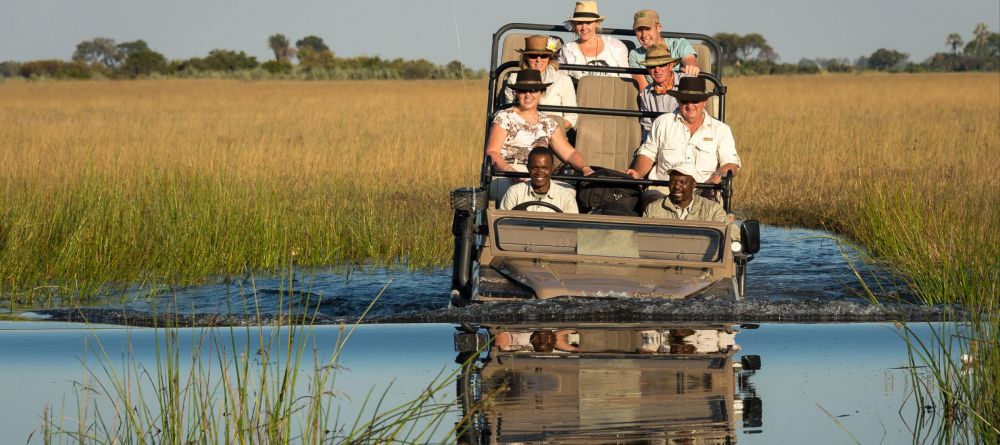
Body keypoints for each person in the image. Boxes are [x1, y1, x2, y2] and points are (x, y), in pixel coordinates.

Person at [485, 69, 594, 203]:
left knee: (568, 193)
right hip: (507, 172)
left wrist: (585, 168)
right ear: (516, 93)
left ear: (541, 93)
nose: (528, 95)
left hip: (540, 172)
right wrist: (511, 171)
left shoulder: (548, 122)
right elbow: (492, 152)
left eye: (533, 90)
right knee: (521, 193)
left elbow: (569, 153)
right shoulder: (504, 117)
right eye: (523, 91)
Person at [626, 77, 740, 187]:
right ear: (678, 100)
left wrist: (714, 179)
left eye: (695, 100)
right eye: (685, 100)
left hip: (703, 191)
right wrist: (638, 173)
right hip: (664, 190)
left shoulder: (721, 130)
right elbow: (648, 154)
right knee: (652, 205)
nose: (690, 105)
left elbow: (731, 164)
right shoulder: (662, 122)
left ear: (705, 101)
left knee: (711, 207)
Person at [504, 35, 578, 131]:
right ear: (526, 57)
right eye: (533, 56)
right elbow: (509, 111)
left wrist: (551, 130)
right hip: (521, 130)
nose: (538, 59)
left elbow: (571, 116)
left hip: (554, 132)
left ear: (550, 57)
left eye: (543, 55)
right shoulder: (514, 78)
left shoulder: (563, 79)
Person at [628, 9, 700, 90]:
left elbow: (691, 63)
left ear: (659, 28)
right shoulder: (634, 55)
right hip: (655, 98)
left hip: (682, 96)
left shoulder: (680, 44)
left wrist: (691, 68)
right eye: (639, 30)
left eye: (648, 29)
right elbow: (644, 91)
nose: (644, 35)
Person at [558, 1, 629, 79]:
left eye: (588, 22)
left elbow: (626, 80)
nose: (583, 28)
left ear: (597, 23)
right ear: (574, 25)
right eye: (579, 23)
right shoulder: (567, 50)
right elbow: (562, 82)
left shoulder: (615, 46)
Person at [501, 146, 579, 213]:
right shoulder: (514, 193)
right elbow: (502, 226)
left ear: (552, 169)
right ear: (528, 168)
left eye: (545, 168)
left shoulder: (566, 197)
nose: (539, 172)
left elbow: (572, 228)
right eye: (535, 168)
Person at [642, 164, 727, 222]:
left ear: (693, 185)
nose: (676, 186)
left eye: (682, 182)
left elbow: (731, 234)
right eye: (672, 182)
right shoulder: (653, 209)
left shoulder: (713, 209)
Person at [637, 44, 682, 142]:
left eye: (662, 65)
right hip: (658, 142)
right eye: (652, 66)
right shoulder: (645, 93)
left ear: (671, 65)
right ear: (647, 69)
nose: (657, 70)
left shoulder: (686, 82)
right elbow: (647, 128)